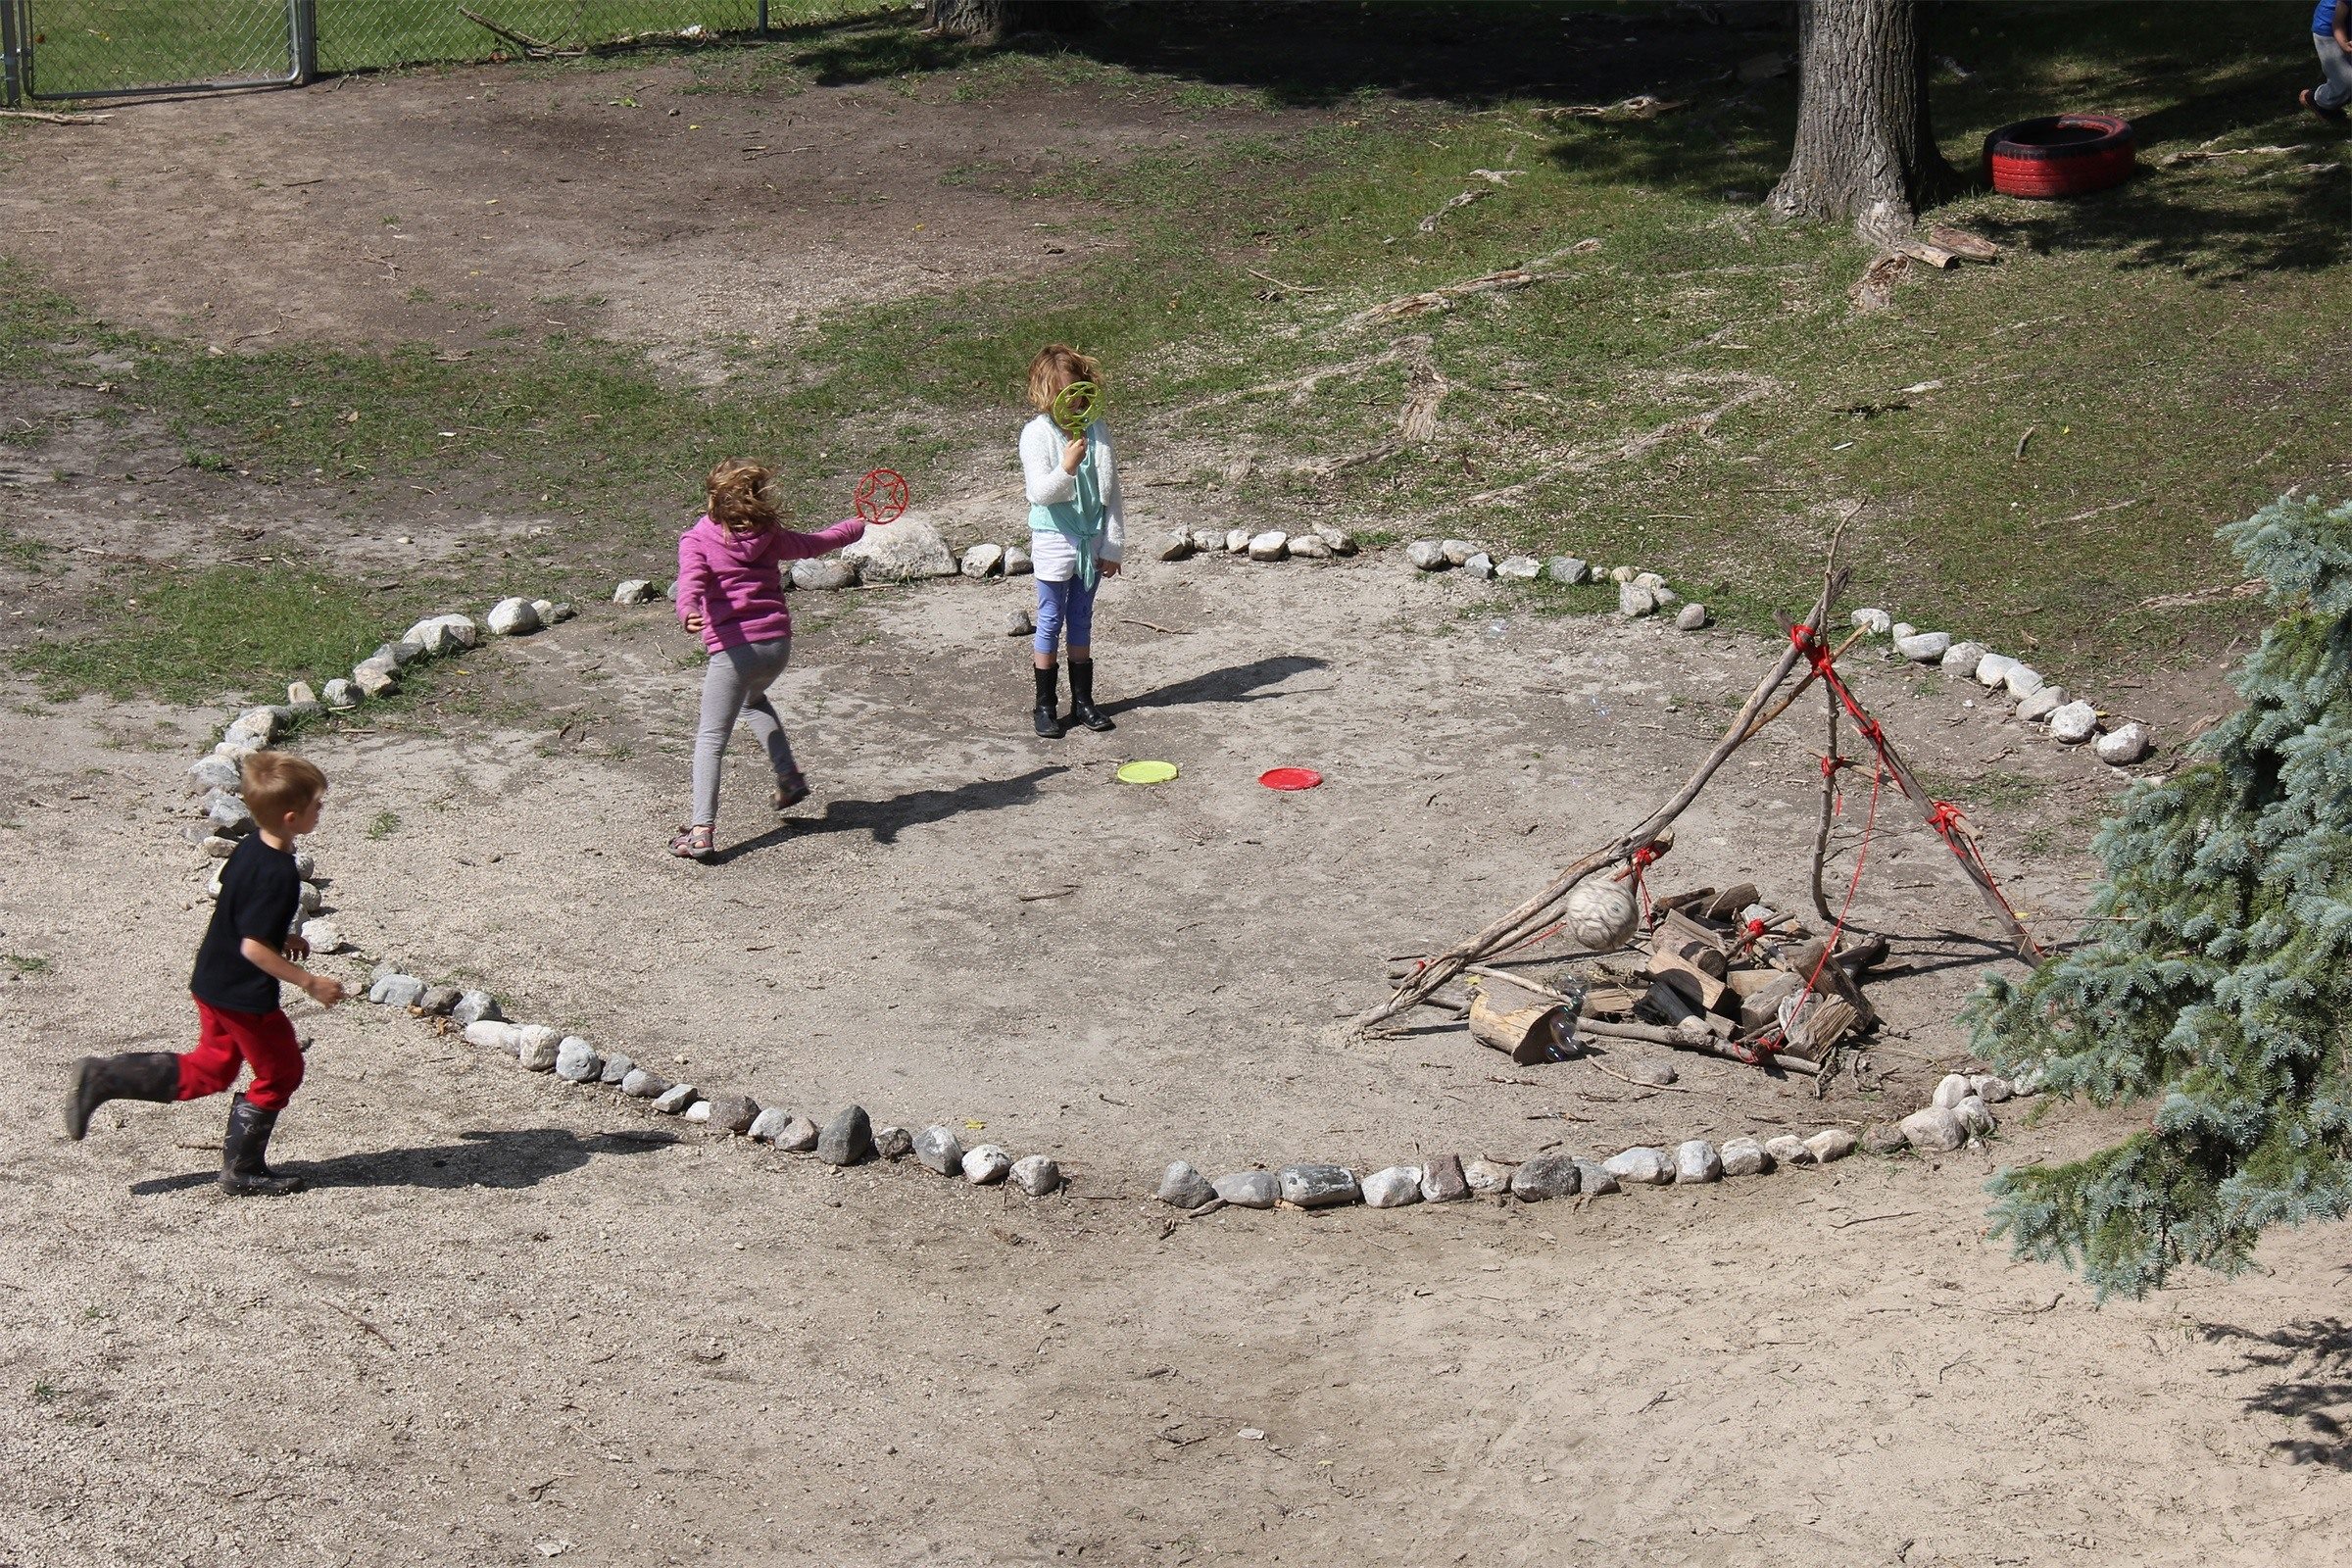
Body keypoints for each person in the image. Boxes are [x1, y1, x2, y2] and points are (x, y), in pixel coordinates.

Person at [63, 752, 344, 1197]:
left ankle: (104, 1077)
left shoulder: (252, 846)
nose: (321, 811)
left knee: (212, 1070)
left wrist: (279, 937)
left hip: (213, 979)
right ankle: (242, 1170)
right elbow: (251, 946)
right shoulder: (278, 873)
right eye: (317, 805)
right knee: (281, 1071)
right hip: (243, 994)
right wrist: (308, 981)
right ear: (292, 817)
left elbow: (240, 913)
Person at [671, 458, 865, 860]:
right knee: (752, 700)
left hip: (736, 650)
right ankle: (789, 776)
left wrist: (688, 608)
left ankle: (701, 830)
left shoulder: (697, 539)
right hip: (776, 646)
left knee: (710, 739)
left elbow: (690, 582)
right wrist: (853, 528)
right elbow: (814, 544)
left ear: (713, 499)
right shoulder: (770, 534)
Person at [1020, 344, 1125, 739]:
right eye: (1064, 394)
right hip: (1053, 538)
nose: (1075, 400)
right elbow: (1039, 493)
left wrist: (1112, 545)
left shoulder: (1097, 429)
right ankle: (1045, 706)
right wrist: (1066, 467)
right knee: (1050, 618)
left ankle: (1083, 702)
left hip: (1091, 537)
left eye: (1079, 390)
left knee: (1081, 616)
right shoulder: (1036, 434)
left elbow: (1112, 492)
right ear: (1046, 396)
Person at [2305, 0, 2352, 122]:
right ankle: (2317, 100)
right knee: (2347, 82)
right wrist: (2345, 46)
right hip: (2330, 31)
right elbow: (2337, 24)